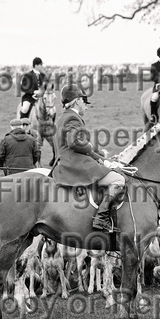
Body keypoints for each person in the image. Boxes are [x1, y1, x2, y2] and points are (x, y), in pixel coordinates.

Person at [52, 84, 125, 232]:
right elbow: (74, 142)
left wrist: (100, 156)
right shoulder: (73, 118)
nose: (86, 105)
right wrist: (92, 150)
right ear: (77, 100)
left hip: (67, 162)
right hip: (75, 164)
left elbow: (81, 142)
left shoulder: (64, 117)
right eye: (84, 101)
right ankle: (102, 217)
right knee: (119, 179)